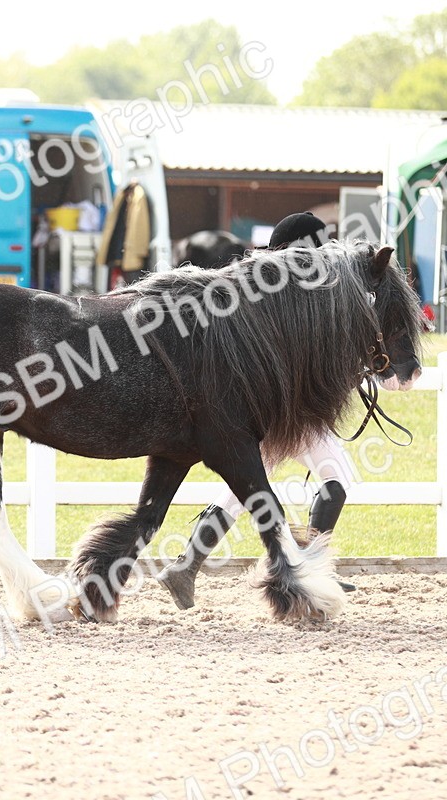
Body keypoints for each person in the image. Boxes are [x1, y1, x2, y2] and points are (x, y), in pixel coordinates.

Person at [156, 212, 358, 611]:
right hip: (291, 412)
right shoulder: (306, 294)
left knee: (241, 489)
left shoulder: (259, 284)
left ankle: (186, 566)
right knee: (337, 477)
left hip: (258, 410)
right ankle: (311, 570)